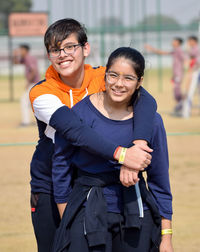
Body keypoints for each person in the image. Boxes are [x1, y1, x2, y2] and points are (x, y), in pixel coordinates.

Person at [29, 18, 156, 252]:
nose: (63, 54)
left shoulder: (102, 77)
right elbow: (76, 131)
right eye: (55, 50)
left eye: (70, 47)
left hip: (88, 186)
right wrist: (123, 155)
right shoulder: (41, 92)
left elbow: (146, 100)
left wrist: (138, 146)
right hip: (49, 185)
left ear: (85, 48)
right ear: (48, 56)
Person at [52, 47, 173, 252]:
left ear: (139, 82)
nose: (118, 84)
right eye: (113, 75)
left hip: (136, 211)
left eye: (128, 78)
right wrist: (68, 220)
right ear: (105, 74)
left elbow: (159, 180)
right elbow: (60, 169)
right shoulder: (80, 113)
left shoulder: (151, 122)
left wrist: (166, 237)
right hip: (87, 210)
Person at [145, 38, 185, 115]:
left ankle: (182, 105)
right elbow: (163, 53)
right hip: (176, 74)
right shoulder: (175, 50)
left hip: (179, 74)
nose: (173, 42)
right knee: (176, 91)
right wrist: (152, 49)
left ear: (178, 42)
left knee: (177, 91)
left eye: (174, 41)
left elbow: (185, 59)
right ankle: (181, 105)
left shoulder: (179, 50)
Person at [13, 44, 40, 126]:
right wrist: (15, 55)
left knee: (24, 101)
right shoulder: (25, 58)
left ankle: (26, 122)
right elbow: (16, 63)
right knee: (30, 103)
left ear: (25, 50)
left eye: (21, 50)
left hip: (33, 83)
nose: (20, 51)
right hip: (33, 83)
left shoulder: (28, 58)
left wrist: (28, 82)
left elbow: (33, 71)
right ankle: (31, 121)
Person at [182, 36, 200, 117]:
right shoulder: (191, 49)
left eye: (190, 41)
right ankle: (186, 112)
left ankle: (186, 112)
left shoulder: (196, 49)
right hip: (194, 71)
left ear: (194, 41)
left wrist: (191, 69)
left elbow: (196, 62)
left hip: (195, 72)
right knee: (190, 92)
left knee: (190, 91)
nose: (188, 43)